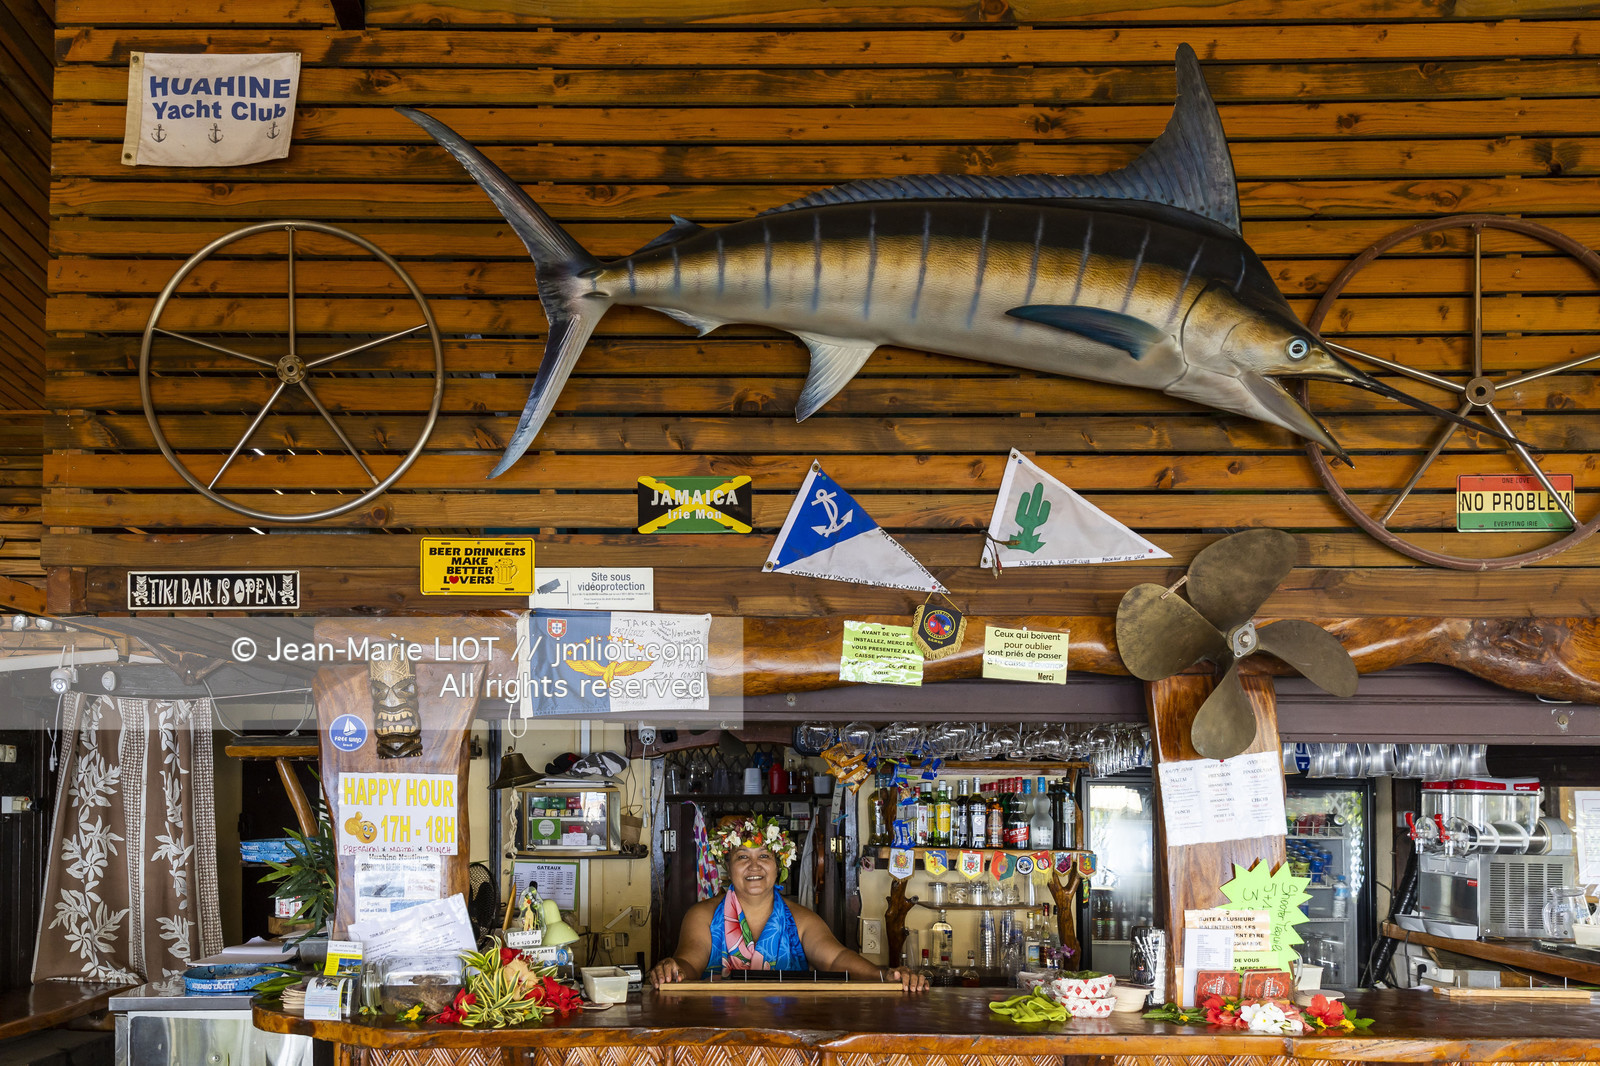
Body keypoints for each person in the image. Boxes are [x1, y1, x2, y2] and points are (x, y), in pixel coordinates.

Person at [649, 815, 927, 991]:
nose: (754, 866)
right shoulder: (703, 916)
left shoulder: (801, 921)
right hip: (716, 1034)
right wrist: (673, 969)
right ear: (728, 867)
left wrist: (884, 975)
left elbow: (836, 959)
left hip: (788, 1034)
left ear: (779, 866)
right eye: (742, 857)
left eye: (764, 856)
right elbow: (689, 963)